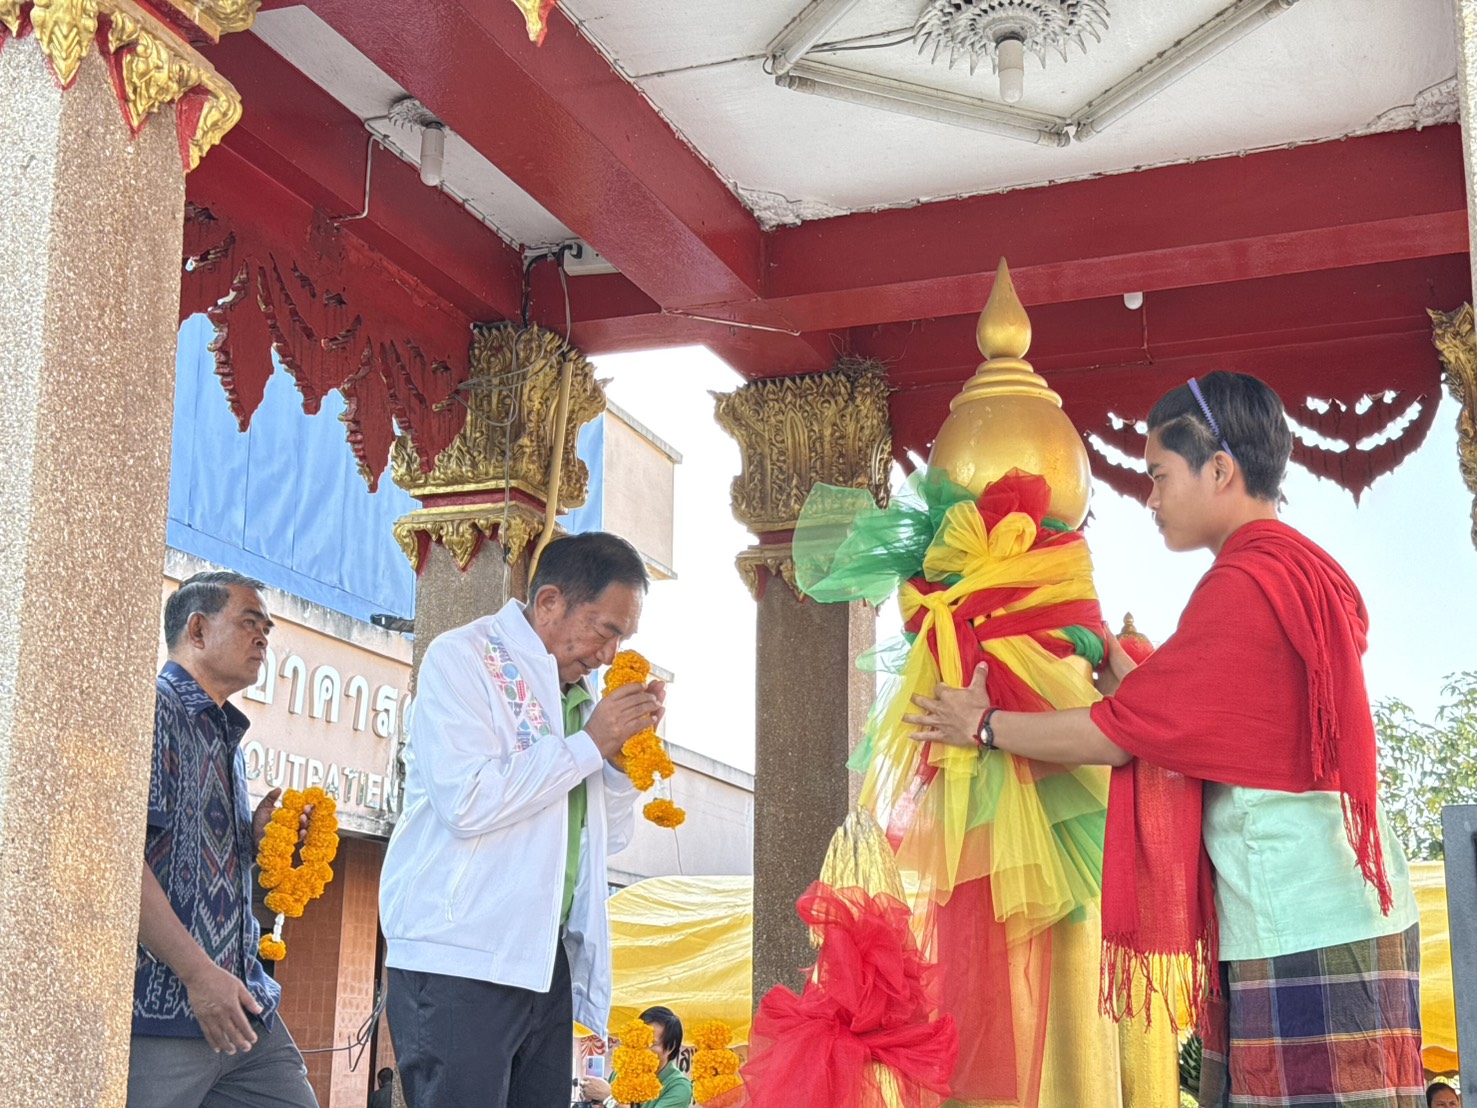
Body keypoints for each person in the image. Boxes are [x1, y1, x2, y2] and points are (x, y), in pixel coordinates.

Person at [905, 372, 1423, 1107]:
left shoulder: (1243, 583)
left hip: (1296, 912)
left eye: (1158, 475)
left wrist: (982, 725)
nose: (1149, 499)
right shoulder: (1302, 569)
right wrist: (1138, 684)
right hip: (1348, 901)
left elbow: (1121, 737)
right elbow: (1224, 718)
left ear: (1219, 469)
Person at [380, 532, 664, 1107]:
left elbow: (605, 839)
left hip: (542, 958)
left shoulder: (581, 696)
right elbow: (467, 800)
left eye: (623, 639)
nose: (610, 655)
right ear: (550, 601)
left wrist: (620, 764)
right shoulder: (465, 657)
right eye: (605, 630)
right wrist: (590, 743)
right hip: (460, 957)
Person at [129, 571, 318, 1108]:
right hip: (165, 1016)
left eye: (268, 629)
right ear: (197, 630)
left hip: (244, 1008)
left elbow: (197, 871)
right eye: (249, 622)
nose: (263, 638)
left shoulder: (226, 734)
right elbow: (122, 867)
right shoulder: (156, 710)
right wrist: (198, 976)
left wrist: (256, 843)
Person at [579, 1006, 693, 1108]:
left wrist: (609, 1097)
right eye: (638, 1040)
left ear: (670, 1047)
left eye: (650, 1043)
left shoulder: (679, 1087)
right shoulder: (622, 1072)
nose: (641, 1048)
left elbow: (611, 1100)